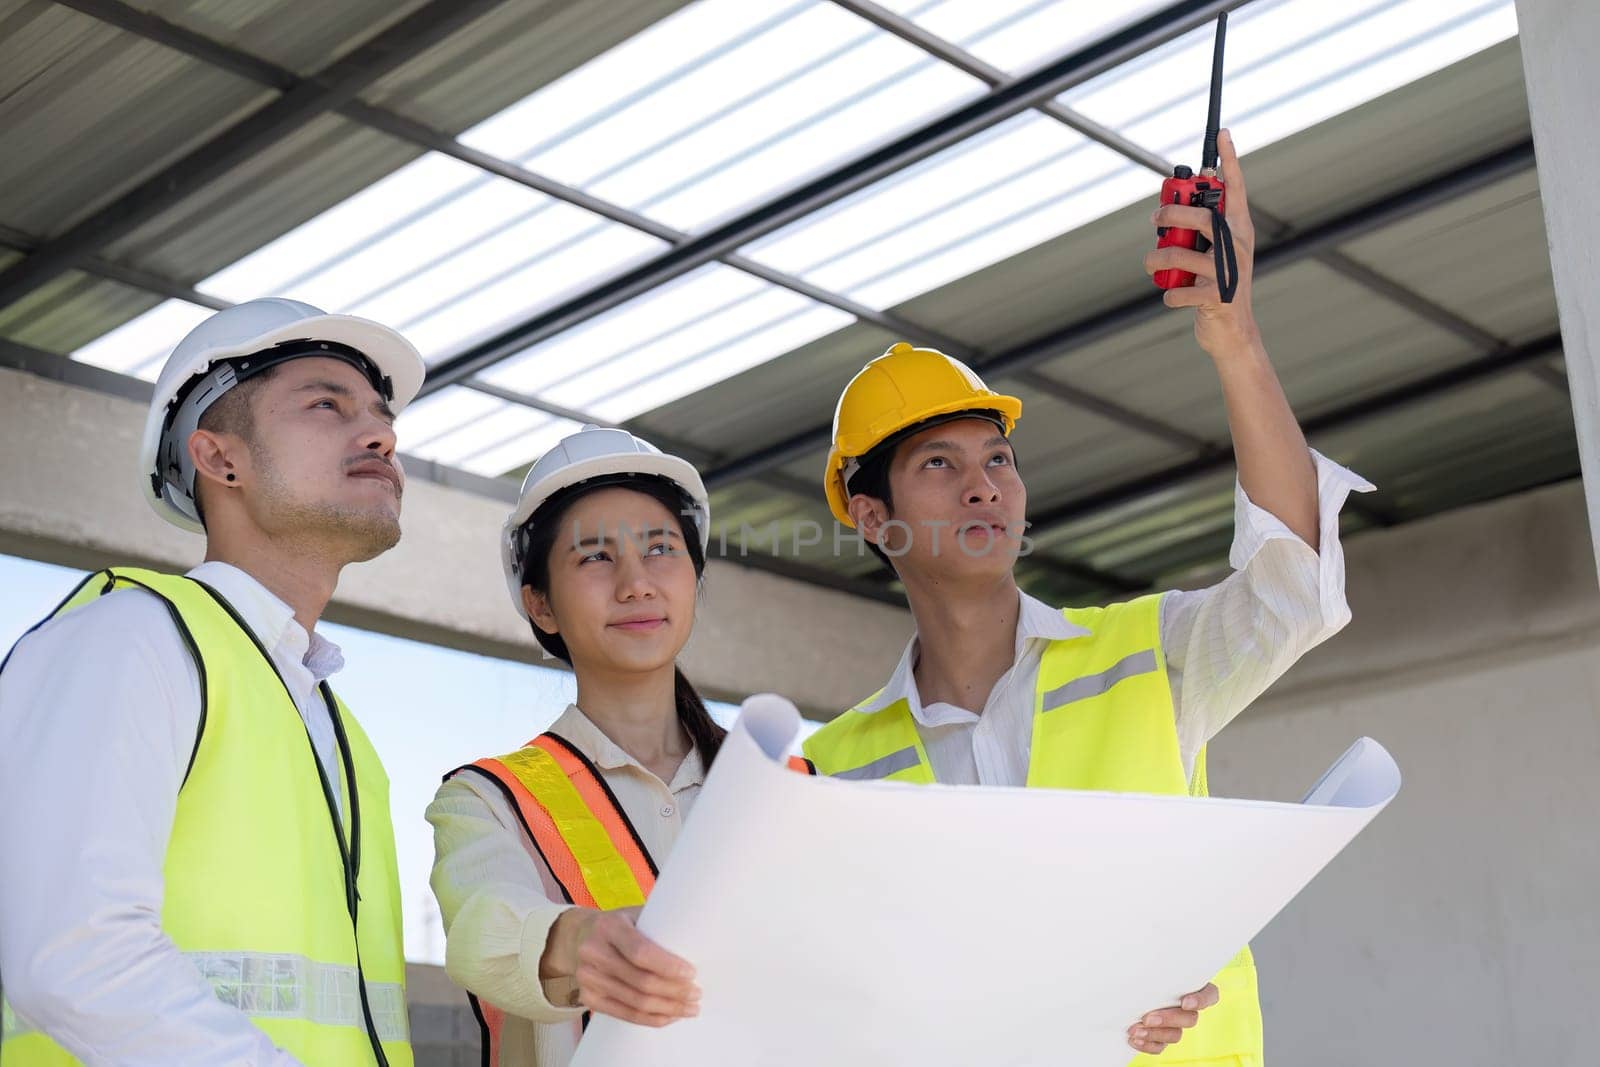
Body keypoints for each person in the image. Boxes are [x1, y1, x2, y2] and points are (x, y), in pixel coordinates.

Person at [802, 129, 1374, 1065]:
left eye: (997, 460)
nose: (983, 486)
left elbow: (1295, 591)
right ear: (873, 516)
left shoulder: (1146, 656)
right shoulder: (830, 773)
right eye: (939, 464)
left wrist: (1233, 336)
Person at [427, 425, 1212, 1065]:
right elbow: (482, 932)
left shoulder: (801, 786)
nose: (636, 581)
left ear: (695, 580)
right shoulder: (492, 799)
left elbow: (918, 975)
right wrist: (576, 941)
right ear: (541, 602)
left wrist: (1112, 1002)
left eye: (661, 549)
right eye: (595, 556)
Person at [0, 298, 424, 1066]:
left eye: (381, 415)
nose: (382, 433)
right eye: (327, 404)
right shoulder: (128, 639)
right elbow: (73, 957)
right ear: (219, 458)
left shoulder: (335, 725)